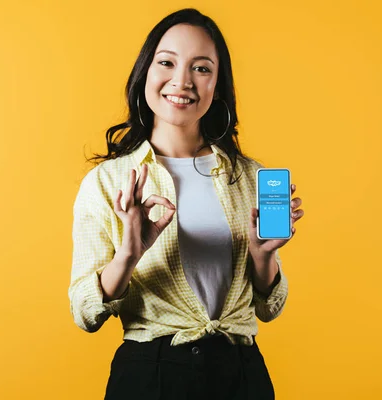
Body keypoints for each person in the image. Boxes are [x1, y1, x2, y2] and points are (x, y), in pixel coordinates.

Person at [68, 8, 304, 400]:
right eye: (167, 63)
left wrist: (264, 257)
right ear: (146, 71)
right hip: (151, 375)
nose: (182, 81)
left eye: (201, 68)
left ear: (218, 85)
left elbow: (269, 308)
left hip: (241, 374)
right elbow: (84, 313)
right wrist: (128, 253)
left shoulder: (247, 176)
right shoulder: (108, 183)